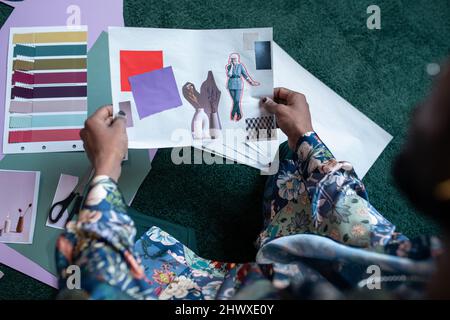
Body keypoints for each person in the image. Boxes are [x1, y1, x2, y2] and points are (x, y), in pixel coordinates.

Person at [56, 71, 449, 298]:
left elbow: (97, 290)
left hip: (247, 296)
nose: (416, 110)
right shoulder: (427, 262)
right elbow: (368, 235)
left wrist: (105, 171)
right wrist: (304, 138)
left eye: (436, 105)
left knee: (92, 274)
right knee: (302, 176)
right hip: (303, 266)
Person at [226, 53, 259, 121]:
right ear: (231, 59)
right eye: (233, 59)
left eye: (235, 59)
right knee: (235, 101)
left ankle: (232, 114)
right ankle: (239, 114)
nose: (234, 60)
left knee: (237, 100)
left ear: (237, 59)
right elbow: (229, 75)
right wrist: (232, 66)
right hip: (231, 84)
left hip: (238, 84)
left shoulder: (240, 66)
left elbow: (245, 75)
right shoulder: (228, 66)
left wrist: (251, 82)